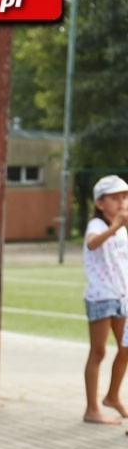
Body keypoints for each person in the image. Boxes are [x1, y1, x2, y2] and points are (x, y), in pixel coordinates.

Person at [82, 173, 128, 425]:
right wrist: (115, 227)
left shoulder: (122, 230)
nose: (122, 202)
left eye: (125, 197)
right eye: (115, 198)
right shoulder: (98, 226)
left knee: (125, 349)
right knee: (98, 352)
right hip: (101, 297)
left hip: (122, 297)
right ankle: (91, 409)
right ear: (100, 203)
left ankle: (112, 396)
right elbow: (92, 244)